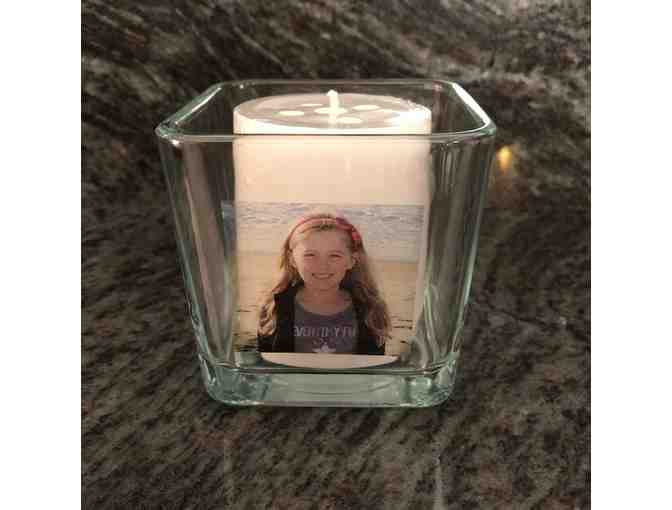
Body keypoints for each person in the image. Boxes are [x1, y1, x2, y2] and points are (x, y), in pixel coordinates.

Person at [257, 211, 390, 354]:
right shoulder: (274, 308)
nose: (322, 266)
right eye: (310, 255)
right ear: (292, 259)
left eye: (334, 255)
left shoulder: (370, 310)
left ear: (352, 260)